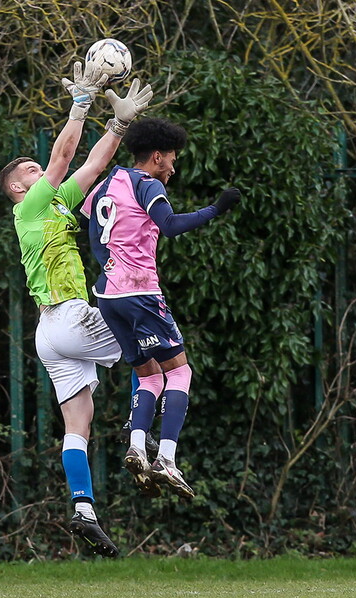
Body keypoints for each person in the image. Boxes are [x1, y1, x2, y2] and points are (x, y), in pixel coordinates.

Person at [0, 60, 153, 557]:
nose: (39, 171)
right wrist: (79, 106)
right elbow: (63, 158)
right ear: (19, 188)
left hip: (51, 332)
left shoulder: (57, 202)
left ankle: (83, 508)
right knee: (152, 343)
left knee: (77, 424)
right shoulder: (28, 207)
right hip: (68, 316)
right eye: (30, 170)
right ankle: (142, 435)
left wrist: (119, 125)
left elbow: (91, 167)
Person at [80, 117, 241, 499]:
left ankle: (137, 447)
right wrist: (216, 208)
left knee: (150, 376)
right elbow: (168, 224)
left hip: (107, 294)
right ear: (157, 156)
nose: (173, 167)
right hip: (139, 292)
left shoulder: (107, 183)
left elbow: (88, 224)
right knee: (180, 372)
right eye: (172, 158)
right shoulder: (147, 183)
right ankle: (166, 458)